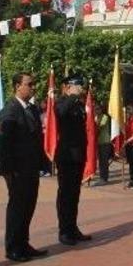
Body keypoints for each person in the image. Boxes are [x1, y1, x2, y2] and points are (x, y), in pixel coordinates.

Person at [0, 73, 49, 262]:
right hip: (17, 170)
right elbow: (3, 141)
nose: (33, 87)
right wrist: (7, 170)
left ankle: (23, 243)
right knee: (17, 208)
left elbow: (36, 139)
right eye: (30, 84)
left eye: (34, 84)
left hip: (31, 168)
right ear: (18, 86)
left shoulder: (32, 109)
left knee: (29, 206)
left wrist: (44, 163)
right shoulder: (9, 111)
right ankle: (13, 248)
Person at [53, 74, 93, 246]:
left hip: (78, 155)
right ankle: (64, 230)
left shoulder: (78, 104)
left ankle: (72, 227)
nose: (81, 89)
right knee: (65, 194)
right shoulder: (62, 102)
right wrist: (71, 96)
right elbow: (60, 114)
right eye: (77, 86)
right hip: (66, 156)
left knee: (75, 194)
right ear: (68, 86)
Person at [95, 104, 112, 184]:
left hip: (105, 141)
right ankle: (101, 177)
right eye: (95, 109)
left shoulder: (105, 117)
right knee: (101, 161)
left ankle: (104, 178)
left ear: (101, 110)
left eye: (98, 109)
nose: (96, 111)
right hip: (99, 142)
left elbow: (99, 126)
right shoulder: (96, 117)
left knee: (104, 161)